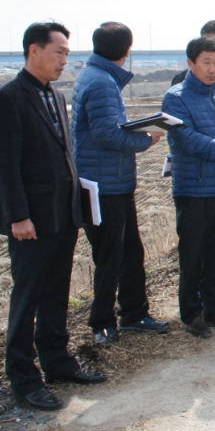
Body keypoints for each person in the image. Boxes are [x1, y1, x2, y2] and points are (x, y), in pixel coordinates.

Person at [0, 21, 106, 411]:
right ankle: (23, 378)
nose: (65, 60)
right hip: (31, 222)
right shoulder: (7, 99)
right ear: (34, 51)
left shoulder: (54, 94)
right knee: (28, 299)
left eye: (67, 54)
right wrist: (18, 216)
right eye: (59, 53)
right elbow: (5, 167)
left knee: (56, 294)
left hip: (62, 215)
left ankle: (58, 363)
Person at [71, 22, 169, 345]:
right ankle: (102, 323)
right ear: (127, 50)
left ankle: (134, 314)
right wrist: (147, 139)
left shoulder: (94, 75)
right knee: (111, 256)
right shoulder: (101, 82)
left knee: (128, 251)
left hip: (111, 180)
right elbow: (106, 135)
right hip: (105, 184)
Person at [162, 36, 215, 337]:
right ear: (191, 63)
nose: (213, 68)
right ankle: (191, 313)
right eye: (206, 62)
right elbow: (185, 137)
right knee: (193, 255)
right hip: (194, 189)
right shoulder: (176, 97)